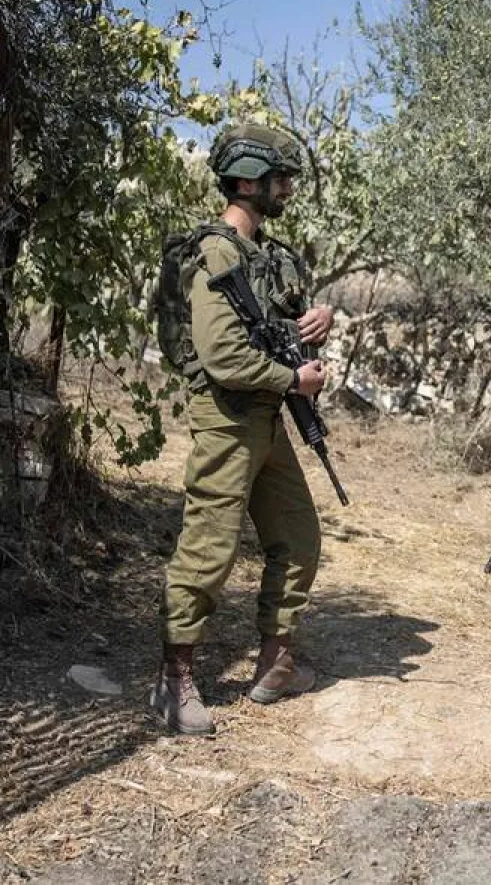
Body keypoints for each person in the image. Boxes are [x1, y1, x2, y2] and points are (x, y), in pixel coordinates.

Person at [150, 123, 335, 735]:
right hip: (227, 422)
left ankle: (276, 663)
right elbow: (225, 357)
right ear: (249, 180)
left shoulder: (265, 255)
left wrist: (316, 319)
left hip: (266, 419)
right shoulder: (216, 254)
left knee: (299, 537)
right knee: (209, 549)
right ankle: (174, 680)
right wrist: (294, 382)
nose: (288, 187)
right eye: (280, 177)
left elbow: (277, 328)